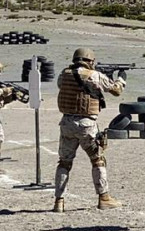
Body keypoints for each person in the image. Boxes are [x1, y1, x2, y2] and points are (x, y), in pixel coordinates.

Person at [52, 47, 126, 212]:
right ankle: (104, 198)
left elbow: (65, 87)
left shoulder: (64, 74)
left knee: (64, 162)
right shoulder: (94, 75)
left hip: (66, 122)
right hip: (86, 124)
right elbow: (116, 91)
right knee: (98, 160)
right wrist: (121, 79)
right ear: (90, 61)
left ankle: (59, 201)